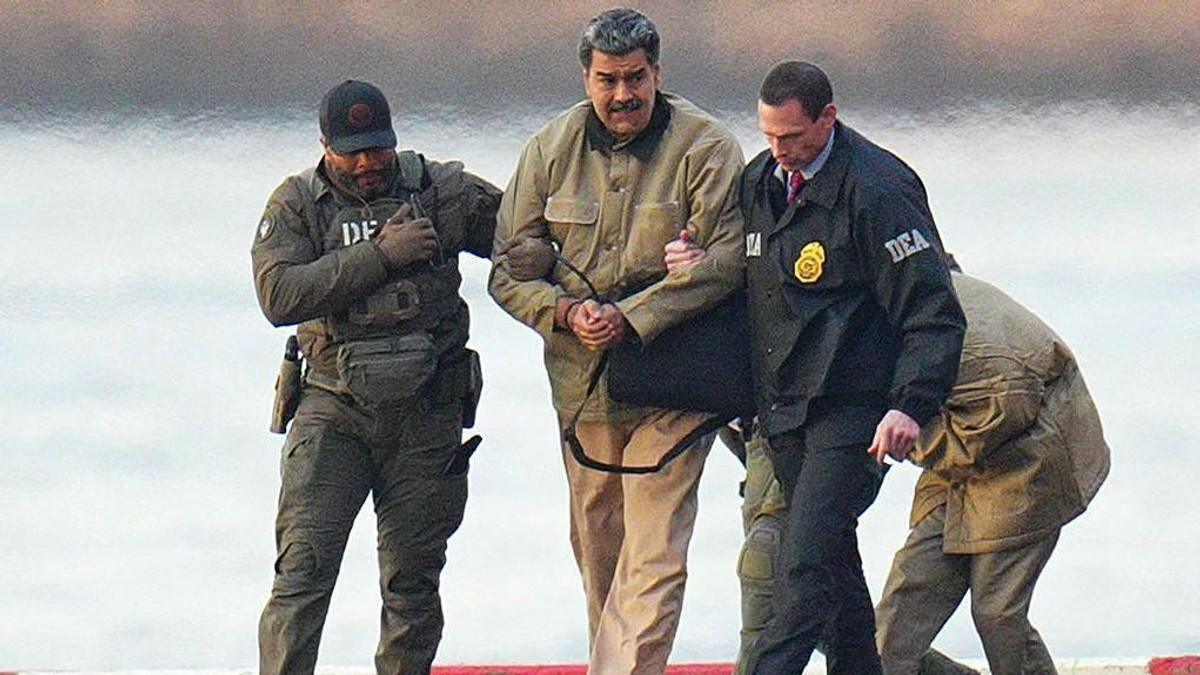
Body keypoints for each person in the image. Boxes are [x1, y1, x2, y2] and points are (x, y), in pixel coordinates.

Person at [488, 8, 745, 673]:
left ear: (657, 73)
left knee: (655, 560)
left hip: (677, 385)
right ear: (587, 78)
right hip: (584, 393)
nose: (623, 94)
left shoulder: (708, 148)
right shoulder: (547, 150)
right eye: (608, 80)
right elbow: (507, 271)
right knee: (600, 560)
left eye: (635, 78)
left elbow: (728, 262)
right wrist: (565, 312)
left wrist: (632, 316)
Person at [250, 79, 503, 674]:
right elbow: (278, 295)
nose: (367, 164)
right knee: (301, 577)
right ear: (325, 147)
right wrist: (381, 257)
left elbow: (525, 233)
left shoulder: (440, 190)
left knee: (412, 583)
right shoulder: (296, 204)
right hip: (334, 412)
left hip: (426, 414)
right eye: (352, 153)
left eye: (378, 149)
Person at [735, 61, 966, 673]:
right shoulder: (759, 181)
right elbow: (752, 293)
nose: (780, 151)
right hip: (785, 407)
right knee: (834, 566)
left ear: (828, 118)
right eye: (768, 136)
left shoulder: (878, 190)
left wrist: (910, 405)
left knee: (803, 566)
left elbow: (934, 311)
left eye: (792, 137)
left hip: (855, 409)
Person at [875, 256, 1111, 675]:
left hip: (1028, 459)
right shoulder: (900, 294)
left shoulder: (983, 356)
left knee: (998, 614)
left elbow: (995, 415)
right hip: (954, 457)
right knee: (897, 622)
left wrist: (899, 433)